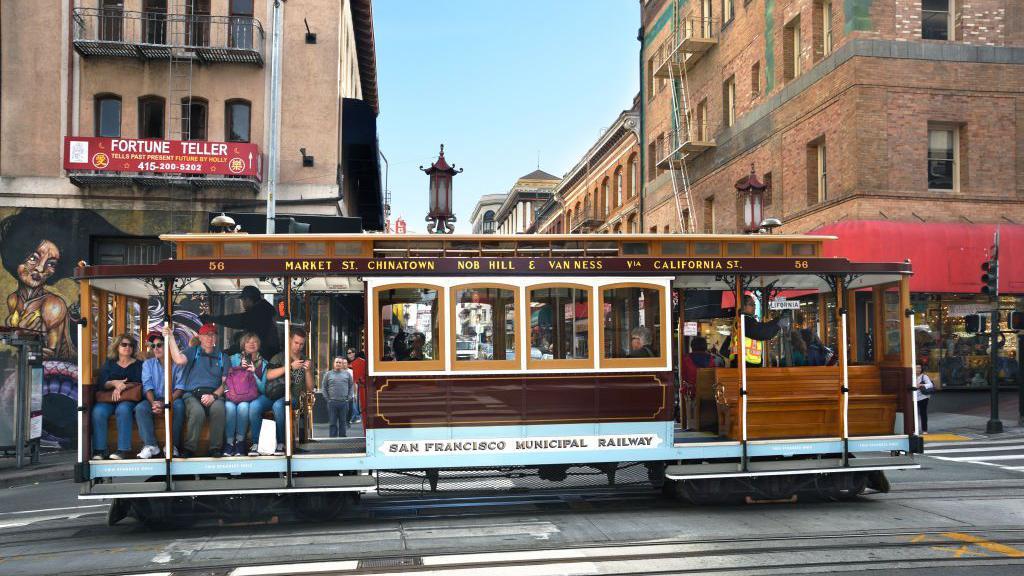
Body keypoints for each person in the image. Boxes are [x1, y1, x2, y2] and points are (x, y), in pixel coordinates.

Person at [165, 323, 228, 458]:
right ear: (200, 337)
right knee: (197, 412)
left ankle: (215, 448)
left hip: (214, 394)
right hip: (192, 394)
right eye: (207, 335)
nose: (210, 338)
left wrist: (214, 396)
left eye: (213, 335)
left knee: (219, 409)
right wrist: (170, 338)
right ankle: (189, 448)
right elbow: (178, 360)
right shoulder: (193, 351)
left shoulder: (223, 357)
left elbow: (225, 383)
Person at [260, 327, 314, 454]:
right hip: (274, 393)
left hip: (293, 397)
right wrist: (289, 367)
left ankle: (281, 443)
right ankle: (256, 443)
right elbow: (268, 375)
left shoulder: (306, 360)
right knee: (254, 406)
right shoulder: (279, 357)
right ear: (290, 341)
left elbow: (310, 388)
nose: (298, 346)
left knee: (279, 405)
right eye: (296, 343)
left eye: (301, 344)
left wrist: (307, 371)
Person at [92, 333, 143, 460]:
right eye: (124, 344)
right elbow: (102, 381)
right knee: (98, 412)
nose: (127, 347)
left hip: (128, 397)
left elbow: (141, 382)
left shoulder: (139, 364)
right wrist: (115, 383)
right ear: (117, 347)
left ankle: (122, 450)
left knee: (123, 410)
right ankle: (100, 450)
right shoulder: (110, 363)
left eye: (131, 345)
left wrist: (123, 386)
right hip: (109, 397)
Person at [134, 331, 185, 459]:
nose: (155, 348)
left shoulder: (177, 363)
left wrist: (166, 403)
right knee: (140, 408)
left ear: (168, 345)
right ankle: (151, 445)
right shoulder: (148, 364)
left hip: (173, 398)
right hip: (154, 399)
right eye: (153, 346)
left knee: (179, 406)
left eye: (159, 345)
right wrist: (154, 403)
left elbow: (180, 388)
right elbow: (147, 387)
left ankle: (172, 445)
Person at [203, 285, 281, 360]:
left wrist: (213, 319)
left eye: (243, 300)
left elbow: (237, 320)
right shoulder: (264, 310)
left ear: (248, 299)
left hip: (264, 354)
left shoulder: (258, 313)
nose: (243, 304)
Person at [224, 333, 268, 456]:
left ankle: (240, 443)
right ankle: (228, 443)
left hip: (249, 397)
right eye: (248, 342)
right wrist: (239, 367)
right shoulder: (233, 358)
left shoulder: (264, 363)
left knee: (243, 407)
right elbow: (225, 377)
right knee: (229, 408)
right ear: (243, 345)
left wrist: (253, 372)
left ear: (258, 345)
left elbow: (264, 389)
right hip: (232, 396)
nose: (252, 344)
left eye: (255, 342)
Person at [731, 295, 783, 368]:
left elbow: (763, 327)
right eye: (751, 305)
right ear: (743, 307)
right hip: (744, 365)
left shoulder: (748, 320)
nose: (754, 307)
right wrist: (778, 324)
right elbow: (762, 333)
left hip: (749, 364)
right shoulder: (743, 321)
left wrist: (777, 320)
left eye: (754, 305)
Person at [322, 357, 354, 437]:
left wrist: (349, 398)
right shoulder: (328, 374)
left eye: (340, 362)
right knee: (332, 422)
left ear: (342, 364)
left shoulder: (347, 374)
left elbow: (351, 386)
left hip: (344, 402)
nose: (338, 364)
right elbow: (324, 387)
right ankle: (332, 439)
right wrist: (327, 399)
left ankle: (342, 438)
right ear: (333, 364)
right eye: (337, 362)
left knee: (343, 422)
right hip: (332, 402)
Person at [346, 347, 366, 426]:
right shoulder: (347, 363)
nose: (349, 354)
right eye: (348, 353)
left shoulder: (359, 361)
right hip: (350, 383)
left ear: (354, 353)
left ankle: (356, 415)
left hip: (357, 383)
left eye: (351, 352)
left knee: (355, 399)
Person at [914, 364, 935, 435]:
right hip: (913, 398)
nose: (918, 369)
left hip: (923, 397)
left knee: (923, 413)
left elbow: (930, 384)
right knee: (913, 414)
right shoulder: (910, 376)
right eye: (916, 367)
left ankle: (924, 430)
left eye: (919, 368)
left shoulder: (924, 376)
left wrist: (922, 385)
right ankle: (914, 429)